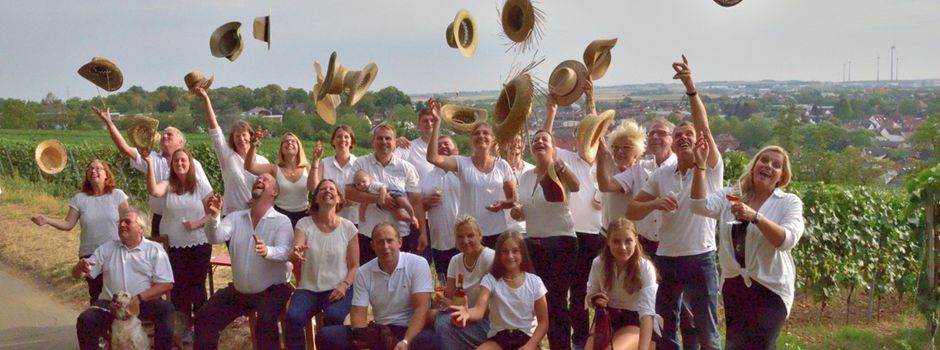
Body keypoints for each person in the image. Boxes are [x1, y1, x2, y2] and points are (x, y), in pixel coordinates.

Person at [626, 55, 723, 350]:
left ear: (698, 142)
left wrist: (691, 88)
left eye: (688, 135)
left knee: (706, 329)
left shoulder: (711, 166)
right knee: (668, 329)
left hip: (701, 256)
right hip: (668, 258)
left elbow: (703, 126)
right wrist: (654, 203)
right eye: (678, 135)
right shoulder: (661, 174)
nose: (683, 138)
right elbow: (631, 210)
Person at [691, 145, 805, 349]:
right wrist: (700, 166)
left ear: (781, 176)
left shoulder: (789, 203)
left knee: (761, 344)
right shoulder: (732, 195)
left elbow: (786, 240)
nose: (768, 166)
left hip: (771, 287)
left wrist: (756, 217)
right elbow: (698, 205)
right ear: (754, 167)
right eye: (764, 160)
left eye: (776, 165)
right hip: (735, 286)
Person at [196, 174, 294, 349]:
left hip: (272, 290)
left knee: (265, 322)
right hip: (240, 291)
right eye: (258, 179)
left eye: (266, 180)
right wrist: (214, 217)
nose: (259, 180)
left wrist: (268, 251)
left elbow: (286, 251)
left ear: (274, 192)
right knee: (205, 316)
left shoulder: (282, 221)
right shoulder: (236, 217)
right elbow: (214, 236)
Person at [544, 80, 605, 348]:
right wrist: (551, 113)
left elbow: (598, 125)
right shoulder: (567, 158)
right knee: (569, 293)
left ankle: (591, 339)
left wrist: (591, 100)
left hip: (598, 237)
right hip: (570, 237)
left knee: (593, 294)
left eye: (590, 137)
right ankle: (571, 341)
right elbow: (544, 147)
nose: (585, 141)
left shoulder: (605, 163)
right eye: (581, 137)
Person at [509, 129, 580, 350]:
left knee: (557, 304)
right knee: (538, 302)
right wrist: (519, 212)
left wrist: (563, 168)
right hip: (534, 245)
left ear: (553, 147)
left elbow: (576, 186)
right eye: (536, 139)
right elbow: (527, 206)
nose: (539, 142)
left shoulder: (557, 169)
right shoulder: (526, 175)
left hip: (560, 244)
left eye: (545, 139)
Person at [315, 223, 439, 350]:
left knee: (430, 340)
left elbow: (421, 309)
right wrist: (362, 342)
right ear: (372, 246)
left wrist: (406, 341)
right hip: (381, 330)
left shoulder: (418, 264)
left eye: (389, 241)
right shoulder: (363, 272)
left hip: (412, 329)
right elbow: (358, 313)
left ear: (399, 242)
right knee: (326, 335)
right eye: (380, 242)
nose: (385, 247)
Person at [94, 106, 210, 238]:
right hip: (160, 219)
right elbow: (125, 148)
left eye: (169, 134)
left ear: (180, 142)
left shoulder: (193, 164)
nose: (164, 136)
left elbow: (206, 194)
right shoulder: (151, 157)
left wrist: (199, 222)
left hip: (187, 218)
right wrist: (109, 123)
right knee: (160, 256)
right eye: (164, 134)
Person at [74, 208, 175, 350]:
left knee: (166, 310)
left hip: (143, 303)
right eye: (120, 222)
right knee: (86, 319)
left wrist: (138, 299)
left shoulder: (155, 250)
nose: (122, 225)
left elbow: (166, 284)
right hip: (110, 304)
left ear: (141, 228)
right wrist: (79, 268)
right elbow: (81, 274)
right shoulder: (107, 248)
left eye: (127, 222)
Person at [31, 159, 129, 305]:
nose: (93, 171)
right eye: (90, 169)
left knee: (117, 296)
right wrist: (47, 220)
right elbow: (68, 223)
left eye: (98, 168)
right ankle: (97, 325)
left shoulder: (117, 195)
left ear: (106, 174)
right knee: (97, 296)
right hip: (90, 254)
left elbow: (128, 222)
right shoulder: (80, 198)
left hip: (115, 252)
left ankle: (117, 326)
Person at [143, 148, 214, 343]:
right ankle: (183, 329)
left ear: (190, 163)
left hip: (199, 244)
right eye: (176, 161)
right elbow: (153, 190)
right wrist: (149, 163)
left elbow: (213, 211)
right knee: (178, 289)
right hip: (173, 246)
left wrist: (196, 224)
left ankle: (202, 329)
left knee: (197, 288)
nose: (180, 164)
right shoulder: (169, 185)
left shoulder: (199, 185)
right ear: (171, 166)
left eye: (183, 160)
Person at [426, 98, 516, 248]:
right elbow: (432, 157)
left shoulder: (502, 165)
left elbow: (513, 199)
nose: (481, 136)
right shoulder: (461, 163)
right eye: (476, 133)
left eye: (485, 133)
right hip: (469, 235)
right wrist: (437, 124)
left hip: (497, 232)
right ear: (471, 139)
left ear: (493, 139)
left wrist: (503, 204)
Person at [285, 179, 360, 350]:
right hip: (308, 289)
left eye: (332, 189)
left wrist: (344, 285)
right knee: (293, 318)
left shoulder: (349, 228)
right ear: (316, 199)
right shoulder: (304, 224)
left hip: (338, 288)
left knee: (334, 317)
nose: (327, 191)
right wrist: (294, 254)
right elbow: (295, 251)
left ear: (339, 199)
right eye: (322, 189)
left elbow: (355, 265)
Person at [450, 231, 549, 350]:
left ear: (523, 253)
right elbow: (479, 310)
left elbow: (543, 322)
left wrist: (531, 345)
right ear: (498, 255)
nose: (510, 256)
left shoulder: (535, 282)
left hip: (526, 338)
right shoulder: (490, 280)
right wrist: (468, 313)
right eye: (505, 251)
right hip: (499, 338)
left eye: (515, 251)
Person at [345, 124, 428, 262]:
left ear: (395, 143)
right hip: (369, 235)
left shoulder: (406, 168)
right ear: (373, 142)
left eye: (388, 138)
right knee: (370, 278)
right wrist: (378, 199)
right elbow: (349, 192)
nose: (384, 142)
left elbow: (416, 202)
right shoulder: (361, 163)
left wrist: (423, 232)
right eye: (379, 138)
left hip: (399, 235)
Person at [584, 218, 660, 350]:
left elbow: (647, 315)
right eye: (616, 241)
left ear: (636, 240)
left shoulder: (645, 268)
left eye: (628, 241)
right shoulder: (598, 263)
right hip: (607, 318)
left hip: (636, 321)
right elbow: (590, 297)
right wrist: (595, 298)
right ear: (608, 241)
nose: (623, 247)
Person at [194, 87, 269, 216]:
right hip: (232, 215)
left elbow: (272, 188)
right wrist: (206, 99)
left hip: (255, 215)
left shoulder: (263, 162)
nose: (241, 139)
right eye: (237, 136)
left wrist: (261, 200)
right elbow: (215, 130)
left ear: (251, 136)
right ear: (232, 140)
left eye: (244, 135)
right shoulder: (228, 156)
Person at [433, 215, 495, 349]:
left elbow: (488, 309)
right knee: (433, 316)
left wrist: (453, 306)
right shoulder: (455, 260)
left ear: (480, 235)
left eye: (470, 235)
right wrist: (441, 301)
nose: (465, 241)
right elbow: (448, 296)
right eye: (460, 237)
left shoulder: (489, 258)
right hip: (464, 315)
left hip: (487, 320)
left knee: (444, 324)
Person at [245, 131, 310, 228]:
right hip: (280, 216)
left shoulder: (308, 169)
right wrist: (253, 144)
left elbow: (317, 189)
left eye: (293, 141)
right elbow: (250, 166)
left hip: (303, 216)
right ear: (281, 148)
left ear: (299, 147)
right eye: (286, 141)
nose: (289, 143)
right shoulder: (274, 169)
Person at [420, 136, 462, 280]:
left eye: (446, 143)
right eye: (438, 145)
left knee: (464, 282)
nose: (442, 146)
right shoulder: (428, 177)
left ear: (455, 148)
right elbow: (420, 207)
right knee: (444, 282)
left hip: (464, 238)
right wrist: (426, 202)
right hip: (439, 240)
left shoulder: (463, 171)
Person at [308, 125, 360, 225]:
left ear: (351, 142)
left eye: (346, 137)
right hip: (327, 219)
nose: (342, 139)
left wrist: (345, 202)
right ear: (333, 141)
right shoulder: (324, 163)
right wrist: (315, 161)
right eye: (339, 136)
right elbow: (312, 188)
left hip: (353, 220)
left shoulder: (359, 163)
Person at [353, 169, 418, 227]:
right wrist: (362, 216)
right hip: (385, 205)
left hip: (392, 193)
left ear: (370, 180)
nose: (361, 184)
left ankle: (412, 215)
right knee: (398, 216)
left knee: (404, 203)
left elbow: (383, 188)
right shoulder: (365, 194)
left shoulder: (372, 185)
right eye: (358, 184)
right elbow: (363, 206)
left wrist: (381, 198)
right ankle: (411, 220)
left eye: (364, 181)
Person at [501, 133, 535, 234]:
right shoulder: (499, 169)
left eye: (518, 141)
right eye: (511, 141)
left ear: (523, 146)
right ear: (506, 146)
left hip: (527, 228)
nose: (515, 144)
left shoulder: (532, 169)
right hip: (504, 228)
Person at [396, 108, 439, 178]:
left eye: (432, 120)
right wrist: (392, 144)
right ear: (418, 125)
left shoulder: (445, 147)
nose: (429, 123)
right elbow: (387, 162)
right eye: (425, 121)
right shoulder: (408, 147)